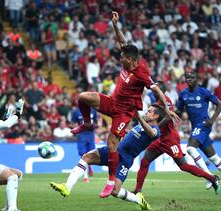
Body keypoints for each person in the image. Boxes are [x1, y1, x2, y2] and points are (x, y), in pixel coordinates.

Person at [71, 11, 180, 198]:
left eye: (122, 57)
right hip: (112, 101)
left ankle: (111, 181)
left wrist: (168, 110)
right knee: (82, 97)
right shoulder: (128, 58)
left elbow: (156, 90)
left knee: (111, 143)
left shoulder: (141, 73)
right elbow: (123, 43)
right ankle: (87, 123)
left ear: (130, 60)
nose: (119, 59)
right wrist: (115, 25)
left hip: (123, 112)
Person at [50, 105, 170, 209]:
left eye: (149, 111)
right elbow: (134, 134)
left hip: (125, 159)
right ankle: (67, 187)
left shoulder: (156, 130)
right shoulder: (142, 125)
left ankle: (139, 200)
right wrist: (124, 130)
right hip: (115, 150)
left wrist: (138, 117)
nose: (146, 112)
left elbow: (151, 133)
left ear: (155, 116)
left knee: (115, 191)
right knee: (87, 157)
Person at [133, 81, 221, 194]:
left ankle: (213, 179)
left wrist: (156, 128)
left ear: (162, 90)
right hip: (160, 139)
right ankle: (137, 191)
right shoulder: (157, 102)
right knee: (145, 161)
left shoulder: (166, 100)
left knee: (183, 166)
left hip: (170, 139)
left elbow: (169, 117)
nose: (154, 90)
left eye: (156, 89)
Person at [176, 72, 221, 192]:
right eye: (187, 78)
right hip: (195, 126)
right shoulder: (183, 94)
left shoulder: (203, 92)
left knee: (190, 148)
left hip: (204, 124)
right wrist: (172, 112)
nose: (189, 80)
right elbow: (179, 110)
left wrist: (212, 120)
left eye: (191, 78)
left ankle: (210, 177)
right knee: (213, 157)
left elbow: (219, 105)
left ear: (197, 79)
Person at [71, 106, 97, 182]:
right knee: (83, 155)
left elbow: (95, 122)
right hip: (82, 134)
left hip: (90, 134)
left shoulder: (93, 110)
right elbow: (73, 123)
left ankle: (89, 167)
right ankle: (85, 176)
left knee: (91, 153)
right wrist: (75, 128)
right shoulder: (76, 111)